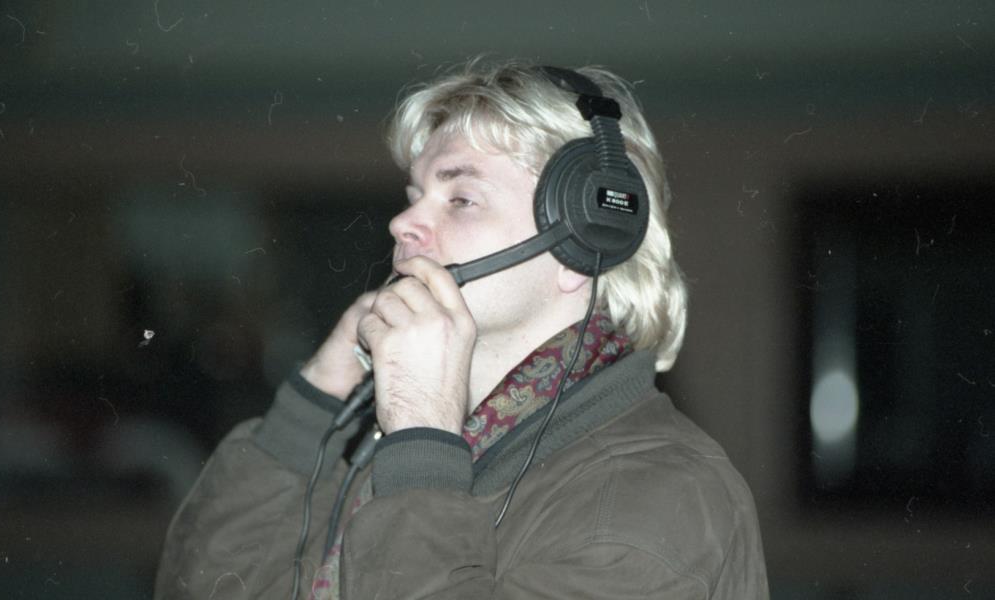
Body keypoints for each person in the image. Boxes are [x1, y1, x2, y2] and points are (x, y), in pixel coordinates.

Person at [154, 58, 768, 599]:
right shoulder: (397, 444)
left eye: (461, 199)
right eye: (415, 194)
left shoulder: (659, 493)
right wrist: (313, 403)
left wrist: (422, 441)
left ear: (585, 242)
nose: (402, 224)